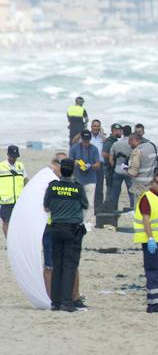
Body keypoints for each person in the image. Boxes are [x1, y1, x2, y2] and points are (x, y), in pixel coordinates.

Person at [43, 158, 88, 312]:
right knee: (69, 266)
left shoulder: (53, 187)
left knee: (57, 265)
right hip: (72, 230)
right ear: (73, 171)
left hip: (55, 228)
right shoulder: (78, 188)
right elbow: (85, 205)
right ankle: (67, 302)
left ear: (61, 170)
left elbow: (46, 207)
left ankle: (55, 302)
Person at [134, 171, 158, 313]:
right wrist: (150, 238)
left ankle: (153, 304)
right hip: (153, 241)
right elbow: (146, 219)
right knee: (155, 272)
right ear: (153, 183)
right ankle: (157, 305)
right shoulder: (147, 197)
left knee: (157, 272)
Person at [68, 130, 101, 227]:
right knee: (76, 201)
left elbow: (98, 164)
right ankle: (77, 219)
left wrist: (91, 165)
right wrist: (77, 163)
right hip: (77, 178)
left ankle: (89, 221)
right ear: (81, 139)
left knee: (90, 202)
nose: (86, 142)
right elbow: (70, 161)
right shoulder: (74, 148)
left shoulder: (94, 149)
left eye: (88, 140)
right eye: (84, 140)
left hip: (91, 178)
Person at [1, 144, 26, 236]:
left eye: (16, 157)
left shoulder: (21, 166)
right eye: (12, 156)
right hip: (5, 200)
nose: (14, 159)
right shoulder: (1, 166)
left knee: (18, 222)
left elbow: (25, 180)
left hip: (19, 200)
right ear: (8, 154)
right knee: (6, 222)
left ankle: (15, 240)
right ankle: (8, 241)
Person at [107, 129, 135, 211]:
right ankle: (132, 209)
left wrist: (114, 167)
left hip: (118, 169)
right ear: (131, 133)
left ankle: (113, 209)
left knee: (115, 192)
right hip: (129, 171)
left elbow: (111, 158)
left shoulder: (116, 143)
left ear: (122, 132)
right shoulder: (132, 144)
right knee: (131, 192)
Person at [128, 134, 158, 201]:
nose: (129, 145)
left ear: (133, 140)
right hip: (151, 183)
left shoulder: (137, 150)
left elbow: (133, 172)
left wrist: (127, 170)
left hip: (140, 185)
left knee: (139, 207)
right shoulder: (152, 146)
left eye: (130, 142)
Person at [101, 123, 122, 209]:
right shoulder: (109, 141)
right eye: (120, 131)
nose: (121, 133)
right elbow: (104, 153)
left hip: (112, 168)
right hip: (109, 169)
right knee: (110, 190)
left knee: (113, 190)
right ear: (115, 131)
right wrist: (113, 157)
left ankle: (111, 208)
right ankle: (108, 208)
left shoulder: (115, 141)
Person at [88, 120, 105, 209]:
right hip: (89, 165)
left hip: (100, 165)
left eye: (98, 126)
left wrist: (102, 135)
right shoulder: (87, 136)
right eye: (94, 126)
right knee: (89, 186)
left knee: (99, 187)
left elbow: (107, 145)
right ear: (91, 126)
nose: (96, 128)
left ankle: (98, 207)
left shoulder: (102, 137)